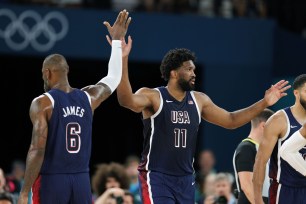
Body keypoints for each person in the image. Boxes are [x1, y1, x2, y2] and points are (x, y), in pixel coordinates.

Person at [114, 38, 291, 203]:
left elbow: (231, 120)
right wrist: (123, 59)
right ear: (174, 73)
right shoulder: (153, 96)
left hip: (186, 179)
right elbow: (126, 100)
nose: (194, 74)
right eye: (189, 69)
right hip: (157, 176)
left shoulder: (199, 100)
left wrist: (265, 102)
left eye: (194, 70)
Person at [17, 9, 131, 204]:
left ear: (46, 72)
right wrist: (118, 42)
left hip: (53, 179)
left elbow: (37, 150)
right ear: (67, 71)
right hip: (81, 181)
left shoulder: (43, 103)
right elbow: (113, 78)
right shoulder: (88, 97)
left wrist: (24, 191)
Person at [252, 74, 306, 204]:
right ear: (296, 93)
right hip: (285, 190)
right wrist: (258, 200)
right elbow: (260, 161)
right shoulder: (279, 120)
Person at [232, 108, 274, 204]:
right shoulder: (246, 148)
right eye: (273, 127)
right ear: (264, 126)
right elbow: (247, 186)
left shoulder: (263, 149)